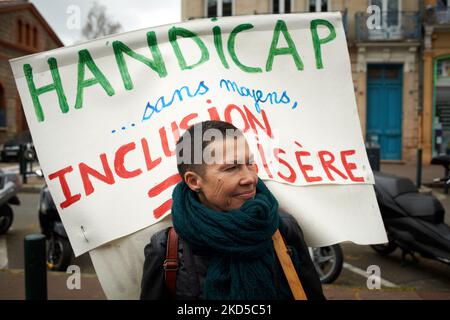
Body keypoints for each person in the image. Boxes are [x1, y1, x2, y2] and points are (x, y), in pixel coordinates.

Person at [140, 120, 325, 300]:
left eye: (250, 163)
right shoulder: (166, 249)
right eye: (231, 168)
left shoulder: (282, 227)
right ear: (194, 181)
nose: (250, 178)